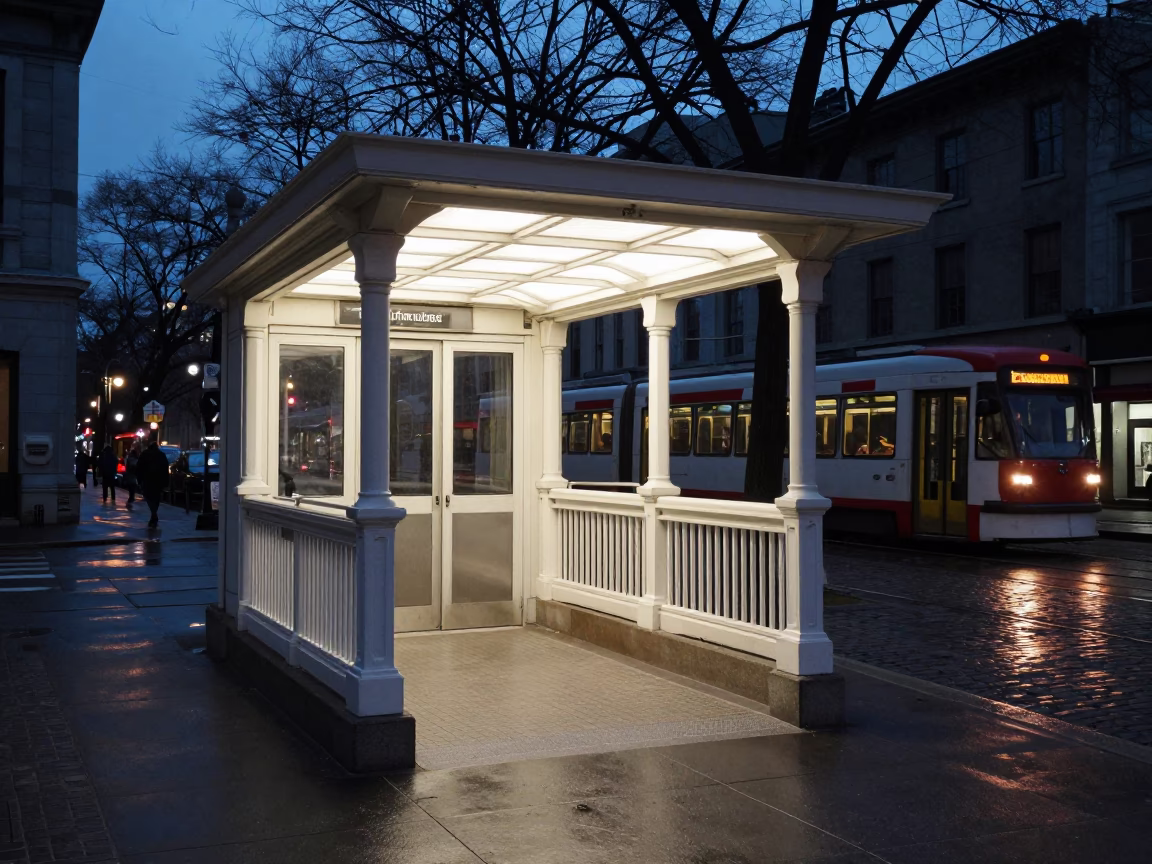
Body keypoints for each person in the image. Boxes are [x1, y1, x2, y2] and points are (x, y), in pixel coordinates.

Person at [136, 441, 170, 528]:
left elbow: (139, 467)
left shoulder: (144, 454)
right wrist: (166, 481)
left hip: (147, 479)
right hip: (158, 479)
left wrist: (139, 479)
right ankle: (154, 513)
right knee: (156, 497)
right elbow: (165, 468)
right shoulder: (161, 455)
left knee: (148, 496)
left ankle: (153, 513)